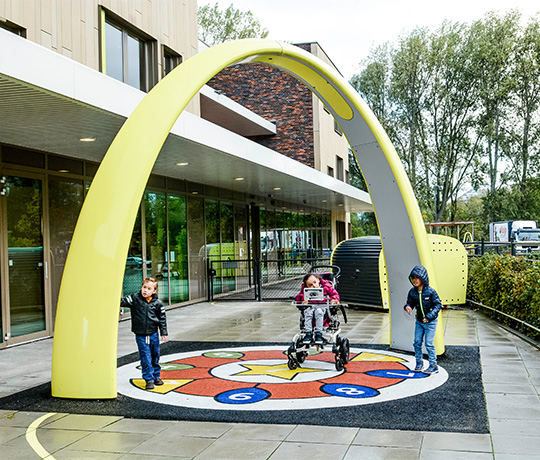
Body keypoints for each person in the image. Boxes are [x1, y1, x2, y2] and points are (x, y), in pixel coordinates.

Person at [121, 277, 168, 389]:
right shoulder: (134, 298)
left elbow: (162, 318)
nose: (145, 290)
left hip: (153, 334)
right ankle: (149, 379)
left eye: (149, 288)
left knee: (155, 355)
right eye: (144, 287)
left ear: (154, 291)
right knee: (145, 356)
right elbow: (122, 301)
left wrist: (163, 332)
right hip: (141, 334)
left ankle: (156, 376)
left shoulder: (158, 303)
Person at [404, 265, 442, 375]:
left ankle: (433, 365)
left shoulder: (431, 292)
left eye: (417, 278)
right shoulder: (412, 292)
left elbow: (438, 305)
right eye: (413, 278)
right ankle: (419, 363)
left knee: (429, 343)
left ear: (423, 278)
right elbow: (410, 302)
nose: (415, 280)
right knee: (417, 343)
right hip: (419, 322)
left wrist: (429, 316)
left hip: (431, 322)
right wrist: (408, 307)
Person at [295, 273, 340, 345]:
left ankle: (319, 333)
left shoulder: (327, 287)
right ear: (307, 286)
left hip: (323, 308)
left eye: (315, 282)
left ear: (318, 280)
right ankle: (308, 333)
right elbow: (298, 297)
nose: (314, 286)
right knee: (308, 312)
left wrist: (333, 300)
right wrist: (303, 299)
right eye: (310, 285)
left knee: (318, 312)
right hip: (310, 307)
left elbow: (334, 294)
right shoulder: (305, 290)